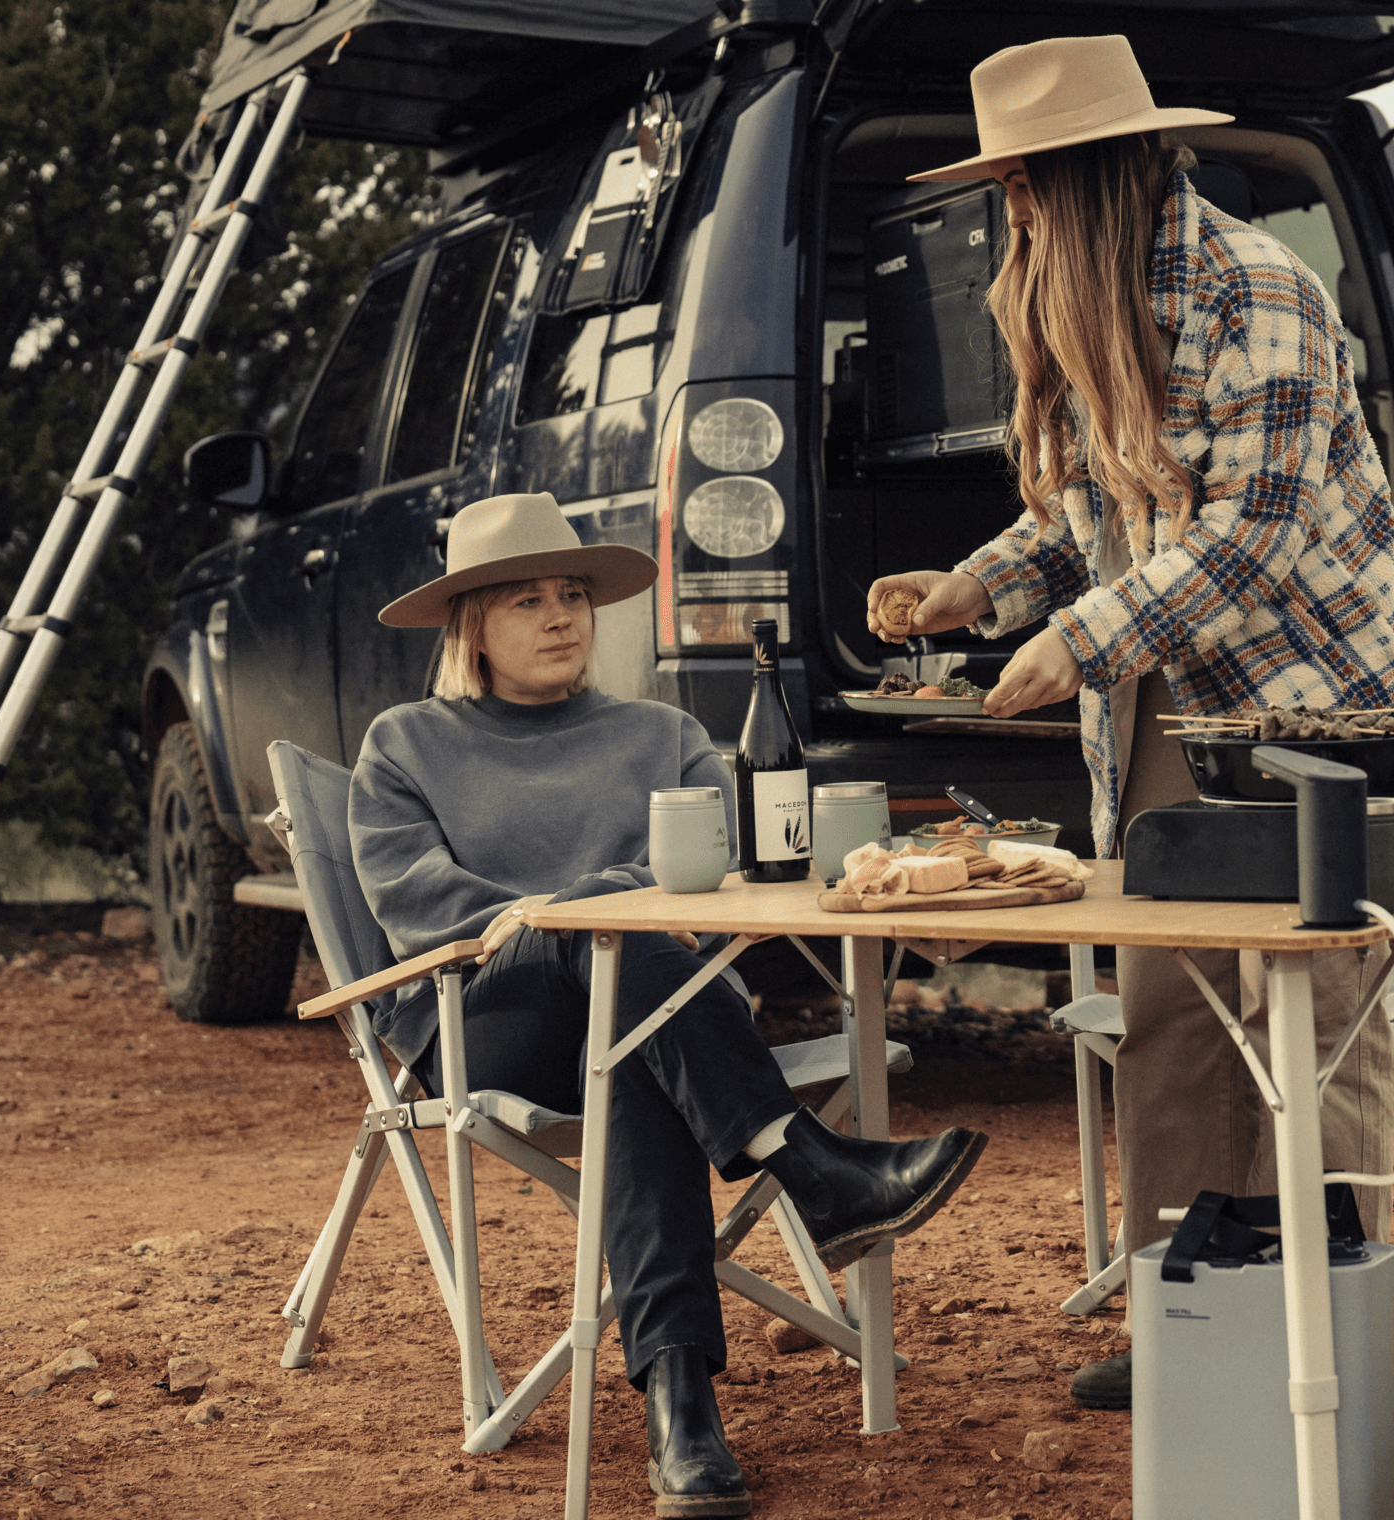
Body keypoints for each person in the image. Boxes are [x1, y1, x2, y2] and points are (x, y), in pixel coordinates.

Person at [862, 34, 1394, 1411]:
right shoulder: (1091, 305)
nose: (1004, 212)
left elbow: (1252, 541)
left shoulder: (1262, 294)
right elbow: (1084, 511)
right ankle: (1194, 1310)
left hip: (1329, 715)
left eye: (1018, 184)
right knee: (1172, 1012)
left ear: (1082, 180)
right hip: (1173, 698)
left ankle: (1324, 1306)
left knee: (1308, 1012)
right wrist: (972, 592)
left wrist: (1069, 644)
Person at [351, 492, 987, 1519]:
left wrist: (620, 914)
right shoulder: (408, 743)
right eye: (527, 601)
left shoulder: (664, 732)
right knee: (614, 944)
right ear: (472, 621)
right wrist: (585, 908)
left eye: (572, 595)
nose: (562, 616)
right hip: (494, 1018)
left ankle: (682, 1405)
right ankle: (811, 1167)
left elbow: (724, 865)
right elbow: (414, 897)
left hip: (650, 1016)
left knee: (637, 1049)